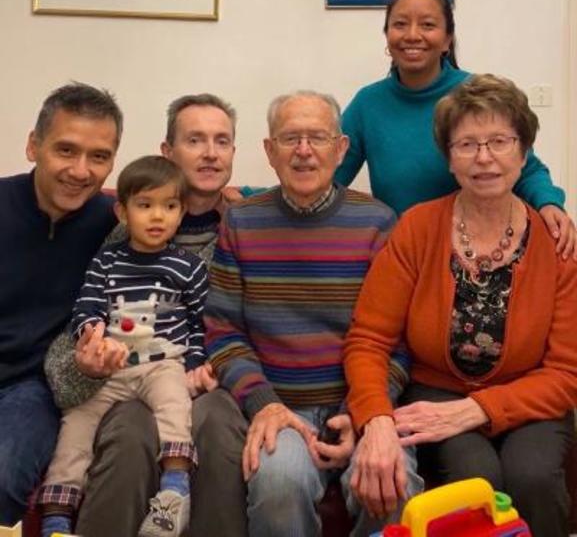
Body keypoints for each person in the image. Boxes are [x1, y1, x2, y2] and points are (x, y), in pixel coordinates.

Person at [344, 74, 577, 537]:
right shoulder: (417, 228)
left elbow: (566, 373)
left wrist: (481, 408)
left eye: (499, 141)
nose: (484, 157)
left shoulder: (556, 241)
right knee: (476, 483)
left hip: (532, 398)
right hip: (437, 393)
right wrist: (375, 419)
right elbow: (368, 340)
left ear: (524, 152)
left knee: (532, 478)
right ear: (449, 157)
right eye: (467, 144)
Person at [198, 90, 420, 537]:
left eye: (317, 138)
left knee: (393, 484)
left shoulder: (378, 223)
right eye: (289, 138)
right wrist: (266, 406)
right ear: (269, 151)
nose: (303, 151)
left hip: (361, 404)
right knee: (279, 486)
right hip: (281, 410)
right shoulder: (241, 222)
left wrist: (362, 413)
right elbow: (223, 332)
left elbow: (397, 339)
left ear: (340, 150)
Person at [44, 93, 237, 537]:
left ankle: (176, 498)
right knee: (127, 431)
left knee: (212, 423)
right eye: (195, 140)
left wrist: (205, 369)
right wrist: (83, 364)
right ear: (167, 152)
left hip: (198, 373)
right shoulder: (115, 236)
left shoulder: (245, 225)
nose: (210, 152)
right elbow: (81, 321)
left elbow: (229, 324)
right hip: (119, 372)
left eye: (222, 141)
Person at [334, 0, 577, 259]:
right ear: (387, 35)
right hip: (405, 257)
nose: (412, 35)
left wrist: (549, 204)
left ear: (448, 39)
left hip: (479, 252)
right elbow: (326, 173)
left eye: (427, 25)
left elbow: (526, 166)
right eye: (400, 24)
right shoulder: (368, 103)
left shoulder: (475, 96)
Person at [0, 82, 122, 526]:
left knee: (4, 468)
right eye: (65, 150)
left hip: (34, 389)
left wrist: (235, 200)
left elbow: (179, 207)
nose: (81, 171)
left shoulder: (114, 226)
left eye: (100, 156)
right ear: (33, 146)